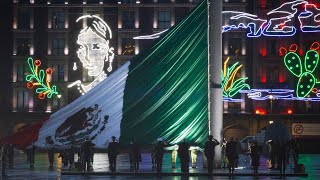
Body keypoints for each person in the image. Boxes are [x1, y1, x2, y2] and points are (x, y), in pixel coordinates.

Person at [69, 15, 115, 94]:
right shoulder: (73, 90)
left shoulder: (112, 89)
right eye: (82, 47)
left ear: (109, 53)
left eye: (96, 47)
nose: (88, 57)